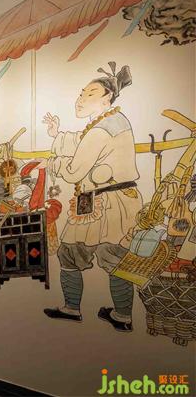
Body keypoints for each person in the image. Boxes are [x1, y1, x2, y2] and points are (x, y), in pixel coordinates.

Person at [41, 62, 142, 332]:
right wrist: (57, 135)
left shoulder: (104, 127)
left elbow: (74, 170)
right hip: (97, 200)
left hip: (110, 202)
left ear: (107, 97)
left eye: (90, 94)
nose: (81, 99)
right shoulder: (106, 122)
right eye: (81, 93)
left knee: (111, 255)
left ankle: (114, 314)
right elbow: (81, 140)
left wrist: (54, 163)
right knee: (73, 251)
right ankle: (84, 310)